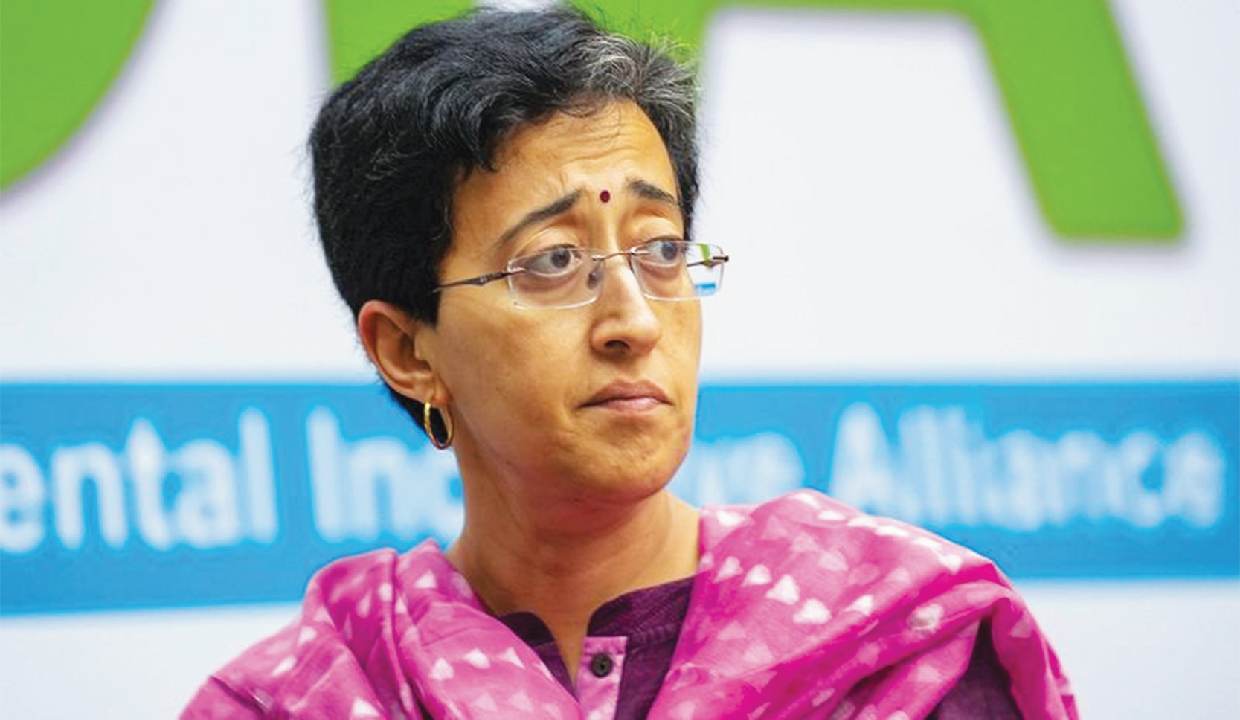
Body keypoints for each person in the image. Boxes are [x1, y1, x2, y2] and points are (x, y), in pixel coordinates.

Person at [182, 6, 1076, 719]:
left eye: (661, 249)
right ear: (407, 351)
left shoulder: (894, 650)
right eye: (553, 261)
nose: (635, 321)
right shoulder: (310, 699)